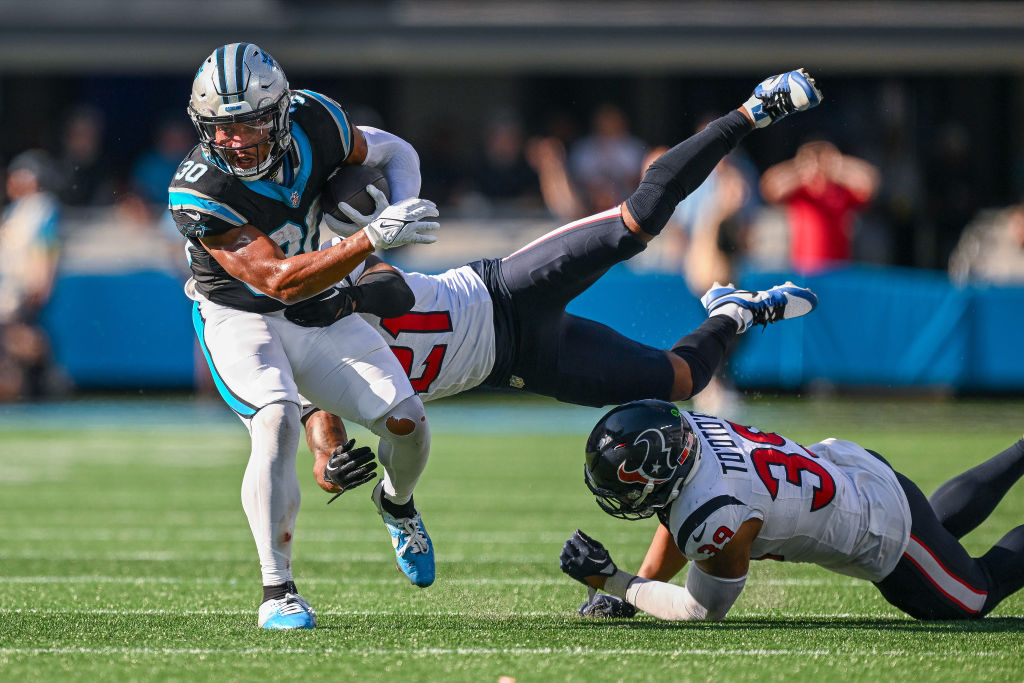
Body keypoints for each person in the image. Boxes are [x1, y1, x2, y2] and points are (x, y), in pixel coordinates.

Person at [303, 69, 824, 492]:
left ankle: (752, 111)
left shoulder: (322, 280)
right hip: (520, 364)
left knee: (634, 224)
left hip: (500, 291)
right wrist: (329, 467)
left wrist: (340, 302)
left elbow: (391, 289)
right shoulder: (299, 355)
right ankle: (736, 313)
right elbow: (319, 429)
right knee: (684, 380)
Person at [167, 42, 441, 629]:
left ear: (281, 113)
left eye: (248, 123)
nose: (234, 140)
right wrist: (372, 238)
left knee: (409, 423)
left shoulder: (316, 119)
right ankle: (277, 589)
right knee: (276, 420)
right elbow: (277, 281)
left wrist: (404, 207)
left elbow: (396, 150)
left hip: (318, 302)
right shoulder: (200, 189)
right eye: (220, 127)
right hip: (239, 314)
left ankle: (396, 504)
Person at [559, 399, 1024, 621]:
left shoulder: (712, 516)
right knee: (932, 529)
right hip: (852, 465)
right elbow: (678, 506)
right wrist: (631, 594)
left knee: (975, 595)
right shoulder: (688, 430)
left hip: (881, 529)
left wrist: (615, 581)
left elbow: (701, 609)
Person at [760, 139, 880, 274]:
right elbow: (771, 189)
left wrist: (840, 164)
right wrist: (799, 167)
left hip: (838, 267)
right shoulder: (800, 191)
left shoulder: (842, 191)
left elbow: (869, 185)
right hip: (804, 269)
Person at [0, 150, 61, 400]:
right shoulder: (16, 209)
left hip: (25, 286)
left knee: (21, 335)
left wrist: (41, 279)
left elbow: (46, 247)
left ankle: (48, 383)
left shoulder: (41, 207)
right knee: (13, 337)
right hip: (10, 285)